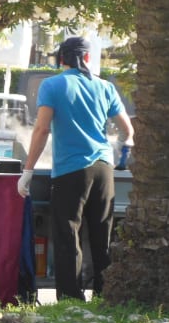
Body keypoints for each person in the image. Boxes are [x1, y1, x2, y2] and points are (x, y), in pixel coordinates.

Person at [16, 36, 134, 301]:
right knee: (102, 235)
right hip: (103, 169)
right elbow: (128, 131)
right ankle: (105, 295)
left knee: (68, 235)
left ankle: (71, 299)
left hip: (71, 170)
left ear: (61, 59)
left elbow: (42, 129)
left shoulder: (52, 85)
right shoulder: (105, 86)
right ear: (88, 58)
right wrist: (121, 151)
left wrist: (28, 171)